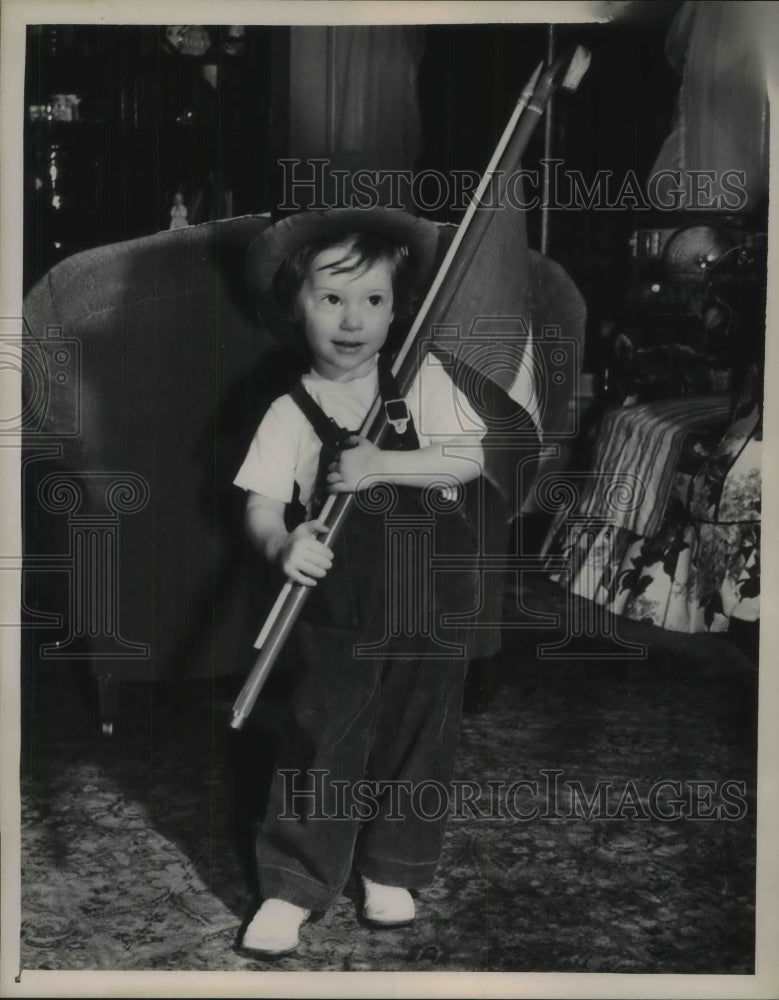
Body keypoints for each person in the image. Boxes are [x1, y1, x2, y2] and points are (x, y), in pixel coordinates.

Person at [233, 207, 487, 958]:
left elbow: (464, 458)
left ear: (397, 308)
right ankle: (292, 884)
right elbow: (259, 502)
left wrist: (385, 464)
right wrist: (283, 543)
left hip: (430, 591)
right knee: (322, 731)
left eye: (373, 300)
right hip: (337, 601)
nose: (353, 320)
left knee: (420, 728)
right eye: (331, 298)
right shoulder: (288, 411)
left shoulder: (420, 378)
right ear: (295, 306)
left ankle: (392, 867)